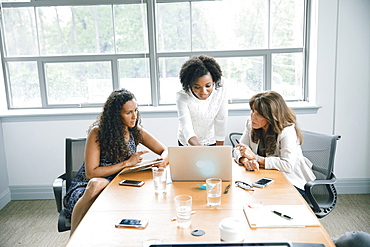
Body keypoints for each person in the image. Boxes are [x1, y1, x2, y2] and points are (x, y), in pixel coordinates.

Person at [63, 88, 168, 235]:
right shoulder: (97, 132)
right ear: (116, 115)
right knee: (97, 184)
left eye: (136, 111)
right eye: (128, 113)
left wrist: (162, 160)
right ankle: (73, 240)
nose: (134, 117)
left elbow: (165, 150)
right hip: (86, 189)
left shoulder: (135, 131)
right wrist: (126, 163)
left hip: (118, 186)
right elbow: (91, 173)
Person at [233, 91, 316, 197]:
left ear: (271, 116)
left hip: (291, 182)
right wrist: (244, 160)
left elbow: (287, 165)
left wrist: (255, 157)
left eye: (258, 114)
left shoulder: (287, 130)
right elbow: (238, 149)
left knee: (264, 199)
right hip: (265, 177)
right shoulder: (251, 123)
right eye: (252, 111)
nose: (253, 116)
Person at [176, 54, 228, 146]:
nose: (203, 92)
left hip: (211, 140)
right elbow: (186, 126)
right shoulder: (182, 96)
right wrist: (201, 150)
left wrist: (219, 149)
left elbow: (221, 119)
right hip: (188, 142)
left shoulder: (221, 87)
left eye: (208, 86)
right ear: (189, 84)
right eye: (197, 87)